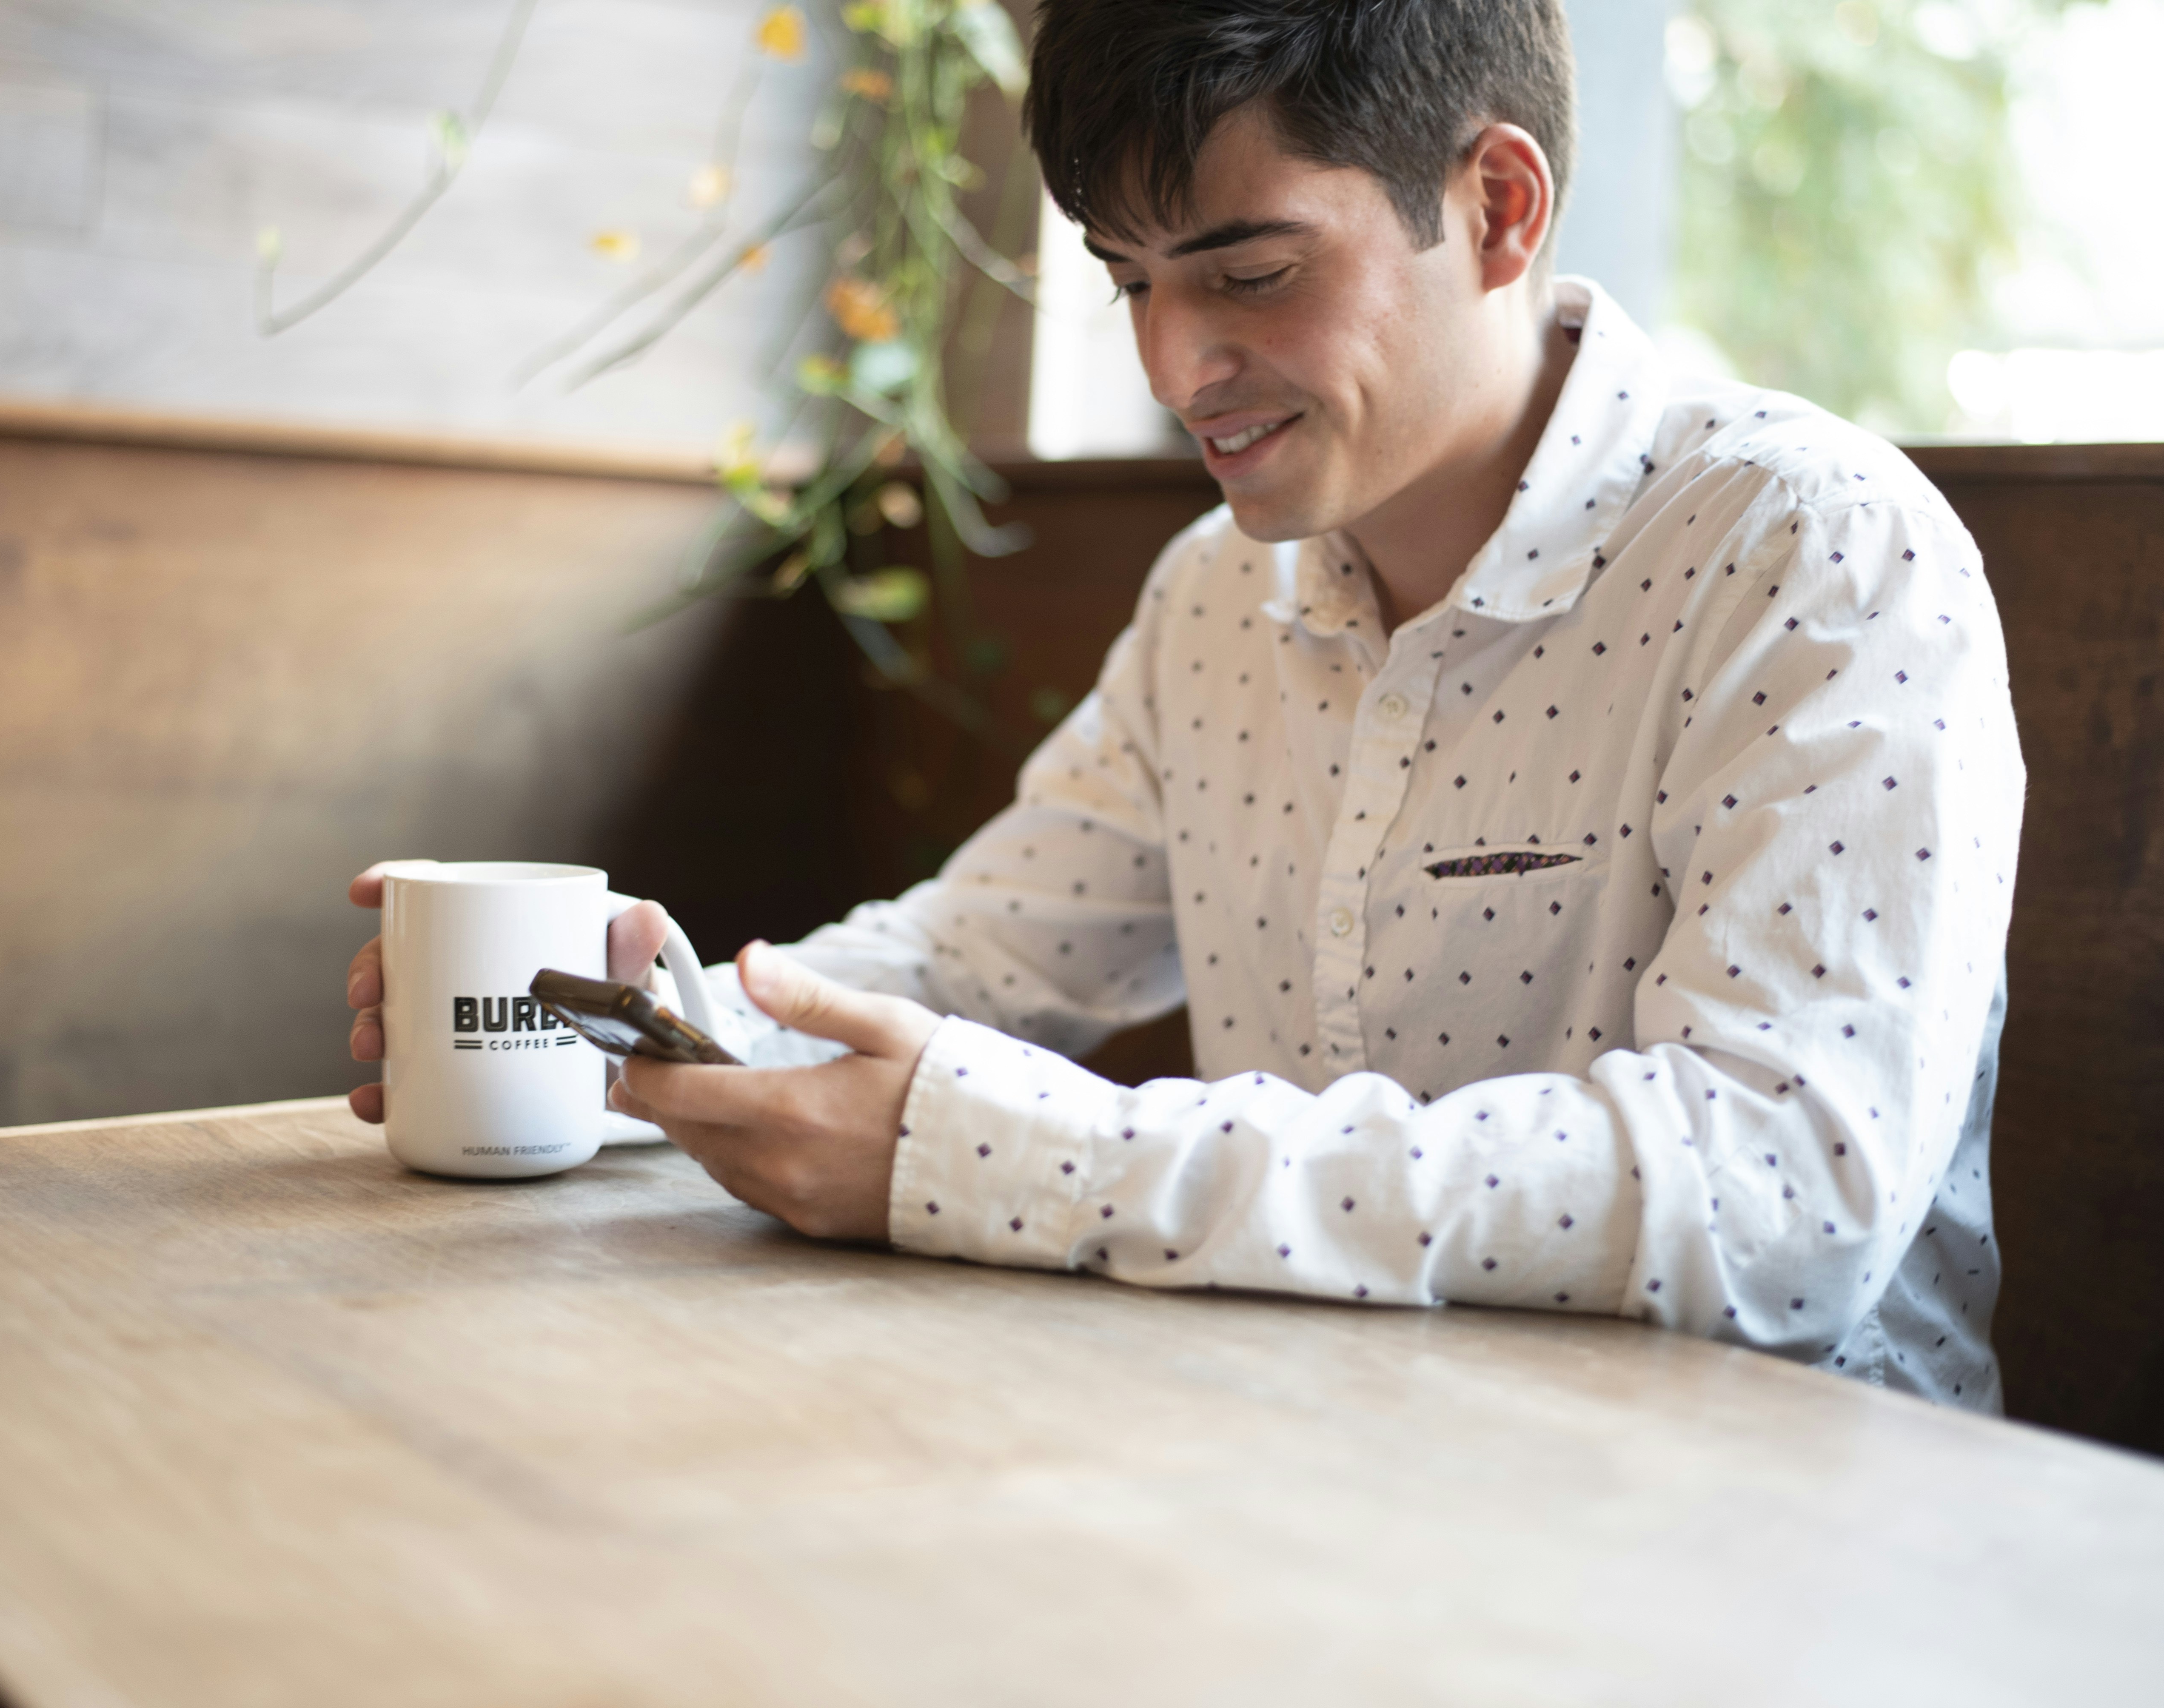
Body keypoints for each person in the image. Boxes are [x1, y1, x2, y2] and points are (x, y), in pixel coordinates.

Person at [344, 0, 2024, 1410]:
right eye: (1129, 279)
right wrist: (604, 1026)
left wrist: (1019, 1160)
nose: (1169, 366)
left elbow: (1784, 1198)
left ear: (1500, 207)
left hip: (1779, 1548)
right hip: (1323, 1471)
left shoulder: (1812, 551)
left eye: (1247, 272)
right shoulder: (1220, 596)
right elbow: (974, 959)